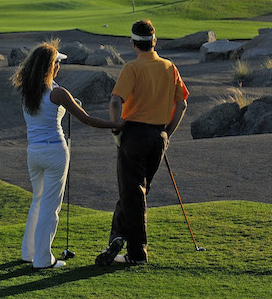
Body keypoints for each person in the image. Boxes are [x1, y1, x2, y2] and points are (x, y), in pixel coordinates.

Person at [11, 39, 124, 270]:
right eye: (56, 63)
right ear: (49, 67)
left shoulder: (28, 91)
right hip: (54, 152)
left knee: (38, 201)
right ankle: (43, 259)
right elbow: (87, 119)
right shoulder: (59, 93)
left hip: (33, 152)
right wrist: (117, 125)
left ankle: (28, 251)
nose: (59, 66)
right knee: (51, 207)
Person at [95, 19, 188, 266]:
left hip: (134, 135)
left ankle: (137, 253)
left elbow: (116, 101)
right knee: (135, 191)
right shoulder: (170, 67)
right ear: (154, 41)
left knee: (133, 192)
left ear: (134, 44)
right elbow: (182, 104)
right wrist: (167, 133)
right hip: (158, 136)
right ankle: (119, 237)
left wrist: (116, 131)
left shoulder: (132, 69)